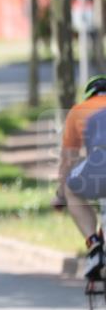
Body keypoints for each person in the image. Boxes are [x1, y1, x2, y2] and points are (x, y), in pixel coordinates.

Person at [61, 74, 106, 278]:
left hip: (98, 168)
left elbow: (68, 160)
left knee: (71, 190)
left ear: (89, 95)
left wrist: (60, 192)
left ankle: (93, 244)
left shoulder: (78, 111)